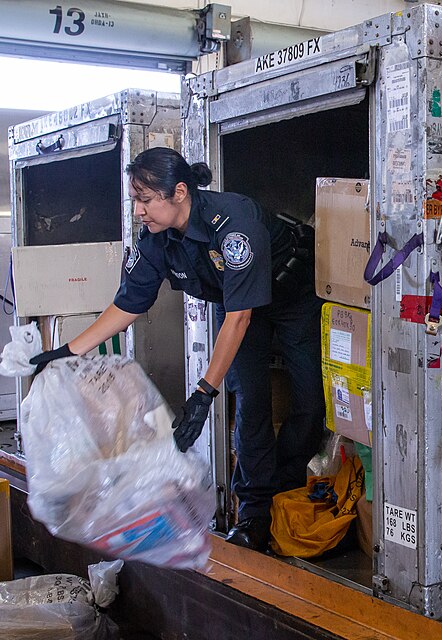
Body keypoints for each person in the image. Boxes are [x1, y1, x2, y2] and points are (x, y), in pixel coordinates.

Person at [29, 147, 325, 552]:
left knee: (310, 400)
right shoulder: (156, 239)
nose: (138, 211)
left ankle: (286, 487)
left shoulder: (233, 224)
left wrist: (203, 393)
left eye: (145, 200)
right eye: (135, 200)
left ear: (179, 192)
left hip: (291, 299)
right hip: (234, 304)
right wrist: (67, 351)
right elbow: (129, 304)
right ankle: (255, 513)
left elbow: (240, 318)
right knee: (251, 402)